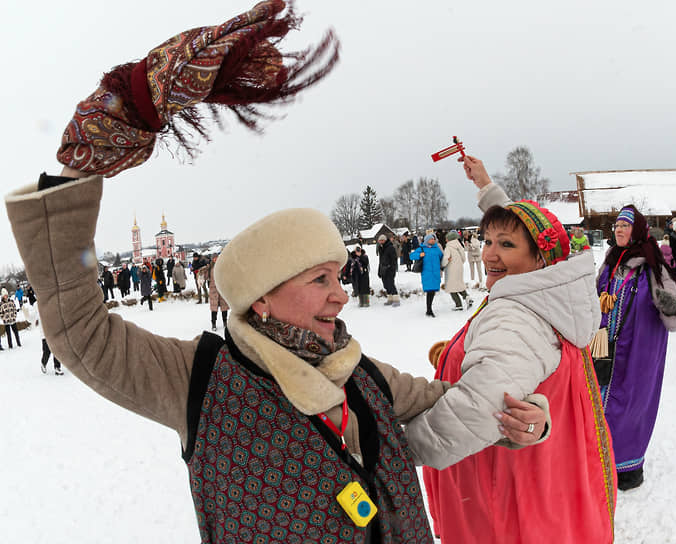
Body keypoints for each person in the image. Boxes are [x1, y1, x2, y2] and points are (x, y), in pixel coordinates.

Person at [6, 6, 543, 540]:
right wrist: (70, 178)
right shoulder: (200, 380)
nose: (340, 296)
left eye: (337, 276)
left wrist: (525, 423)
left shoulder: (361, 372)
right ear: (260, 297)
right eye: (319, 280)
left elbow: (457, 408)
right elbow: (84, 335)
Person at [411, 155, 616, 543]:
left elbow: (474, 412)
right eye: (487, 240)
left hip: (499, 486)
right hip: (544, 473)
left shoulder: (516, 317)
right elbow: (532, 232)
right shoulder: (551, 291)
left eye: (505, 244)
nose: (489, 252)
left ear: (539, 257)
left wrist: (390, 450)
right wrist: (487, 187)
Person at [595, 204, 676, 490]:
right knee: (598, 406)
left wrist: (670, 308)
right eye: (617, 225)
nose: (619, 229)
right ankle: (597, 462)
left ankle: (627, 469)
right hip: (603, 350)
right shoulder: (610, 263)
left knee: (630, 409)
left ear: (638, 230)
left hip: (637, 356)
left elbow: (675, 318)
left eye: (625, 225)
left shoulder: (653, 266)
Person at [410, 234, 443, 317]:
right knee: (429, 291)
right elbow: (411, 256)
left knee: (432, 292)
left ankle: (429, 309)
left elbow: (442, 257)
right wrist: (419, 255)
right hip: (427, 273)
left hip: (435, 273)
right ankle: (429, 310)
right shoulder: (421, 248)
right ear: (427, 240)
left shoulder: (437, 249)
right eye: (431, 239)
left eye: (434, 239)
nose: (433, 240)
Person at [441, 230, 472, 311]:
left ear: (450, 239)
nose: (446, 240)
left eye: (447, 238)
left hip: (451, 269)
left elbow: (445, 259)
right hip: (459, 267)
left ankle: (458, 305)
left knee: (451, 287)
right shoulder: (459, 245)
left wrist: (443, 264)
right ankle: (467, 297)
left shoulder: (448, 247)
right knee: (459, 284)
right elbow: (463, 258)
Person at [376, 234, 400, 306]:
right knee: (386, 285)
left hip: (389, 269)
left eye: (382, 240)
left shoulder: (390, 247)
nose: (381, 242)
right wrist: (379, 270)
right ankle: (390, 299)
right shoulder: (381, 248)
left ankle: (396, 300)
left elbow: (394, 259)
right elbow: (380, 260)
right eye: (380, 240)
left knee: (391, 284)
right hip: (383, 269)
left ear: (385, 240)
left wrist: (392, 268)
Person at [207, 254, 229, 331]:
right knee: (214, 308)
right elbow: (205, 277)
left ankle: (225, 322)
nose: (215, 259)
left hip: (222, 289)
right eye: (214, 258)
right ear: (212, 259)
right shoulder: (210, 267)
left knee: (224, 308)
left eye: (217, 258)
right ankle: (213, 323)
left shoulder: (222, 267)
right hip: (213, 290)